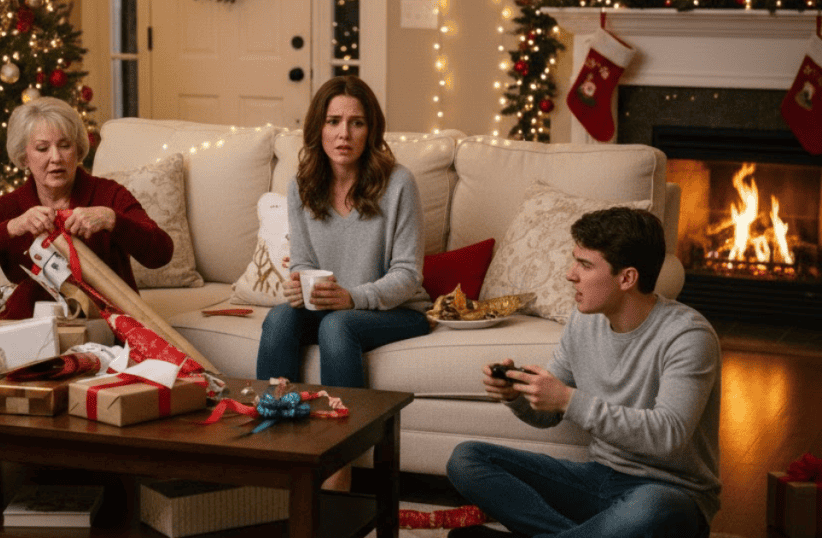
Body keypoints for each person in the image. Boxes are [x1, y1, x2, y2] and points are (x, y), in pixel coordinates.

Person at [446, 207, 721, 538]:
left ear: (627, 278)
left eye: (585, 265)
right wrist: (518, 395)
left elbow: (667, 437)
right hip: (598, 479)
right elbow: (548, 415)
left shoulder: (688, 335)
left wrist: (567, 399)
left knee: (650, 509)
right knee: (467, 459)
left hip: (670, 493)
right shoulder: (583, 320)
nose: (570, 274)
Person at [255, 75, 433, 489]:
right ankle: (275, 456)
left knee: (338, 326)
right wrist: (298, 285)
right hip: (331, 306)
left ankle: (339, 473)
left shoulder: (399, 183)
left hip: (398, 310)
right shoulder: (301, 186)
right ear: (319, 127)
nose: (343, 134)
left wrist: (353, 297)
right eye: (333, 121)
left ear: (371, 130)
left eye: (356, 123)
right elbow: (303, 259)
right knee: (279, 318)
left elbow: (408, 275)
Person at [0, 97, 173, 319]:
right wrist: (11, 228)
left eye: (65, 146)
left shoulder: (109, 194)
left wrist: (112, 220)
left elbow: (161, 253)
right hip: (33, 332)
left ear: (78, 150)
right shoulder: (8, 208)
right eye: (42, 148)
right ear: (24, 157)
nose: (56, 158)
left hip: (107, 331)